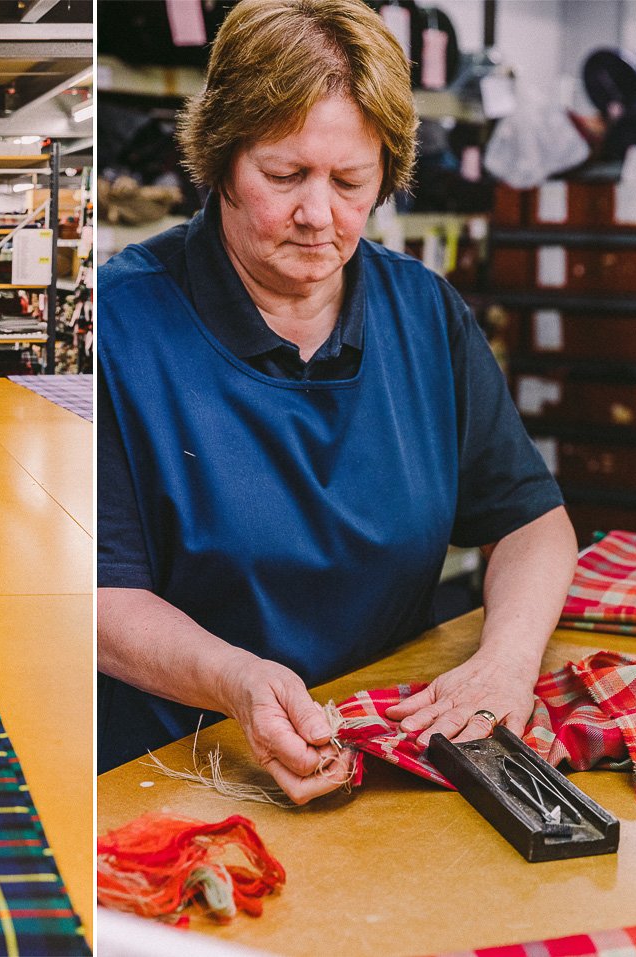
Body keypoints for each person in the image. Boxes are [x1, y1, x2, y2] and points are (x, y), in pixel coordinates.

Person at [97, 0, 578, 802]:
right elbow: (101, 596)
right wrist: (237, 682)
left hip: (392, 755)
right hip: (184, 771)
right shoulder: (121, 325)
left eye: (352, 181)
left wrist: (505, 660)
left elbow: (532, 522)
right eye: (284, 176)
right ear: (220, 158)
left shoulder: (423, 312)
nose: (319, 216)